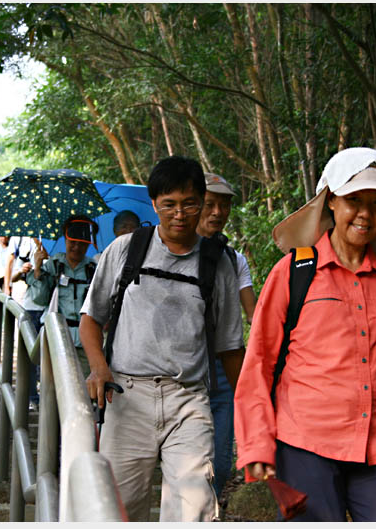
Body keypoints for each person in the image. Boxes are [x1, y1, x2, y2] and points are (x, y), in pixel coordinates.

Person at [234, 147, 376, 522]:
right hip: (305, 445)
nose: (365, 213)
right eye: (354, 200)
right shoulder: (294, 272)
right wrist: (257, 443)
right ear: (331, 202)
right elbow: (258, 364)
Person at [79, 156, 245, 522]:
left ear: (202, 203)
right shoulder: (126, 249)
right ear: (154, 204)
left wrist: (251, 411)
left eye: (189, 204)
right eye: (169, 204)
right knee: (117, 509)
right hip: (126, 396)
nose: (179, 214)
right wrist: (98, 368)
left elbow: (231, 348)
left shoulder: (218, 263)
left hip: (188, 399)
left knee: (194, 507)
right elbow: (91, 319)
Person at [196, 172, 257, 500]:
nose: (218, 212)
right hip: (183, 370)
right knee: (188, 459)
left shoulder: (234, 260)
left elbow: (253, 314)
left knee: (220, 461)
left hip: (224, 367)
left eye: (224, 205)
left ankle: (209, 510)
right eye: (210, 204)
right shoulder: (173, 254)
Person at [27, 215, 98, 378]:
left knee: (83, 384)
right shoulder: (54, 265)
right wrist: (37, 269)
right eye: (72, 242)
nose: (76, 247)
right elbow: (40, 299)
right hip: (56, 337)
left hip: (85, 340)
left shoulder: (93, 269)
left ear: (89, 243)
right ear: (65, 240)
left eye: (82, 243)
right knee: (53, 384)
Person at [5, 236, 45, 408]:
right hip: (31, 309)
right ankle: (32, 397)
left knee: (45, 358)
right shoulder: (24, 246)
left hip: (49, 310)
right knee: (31, 356)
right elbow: (14, 277)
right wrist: (24, 270)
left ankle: (44, 397)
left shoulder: (54, 256)